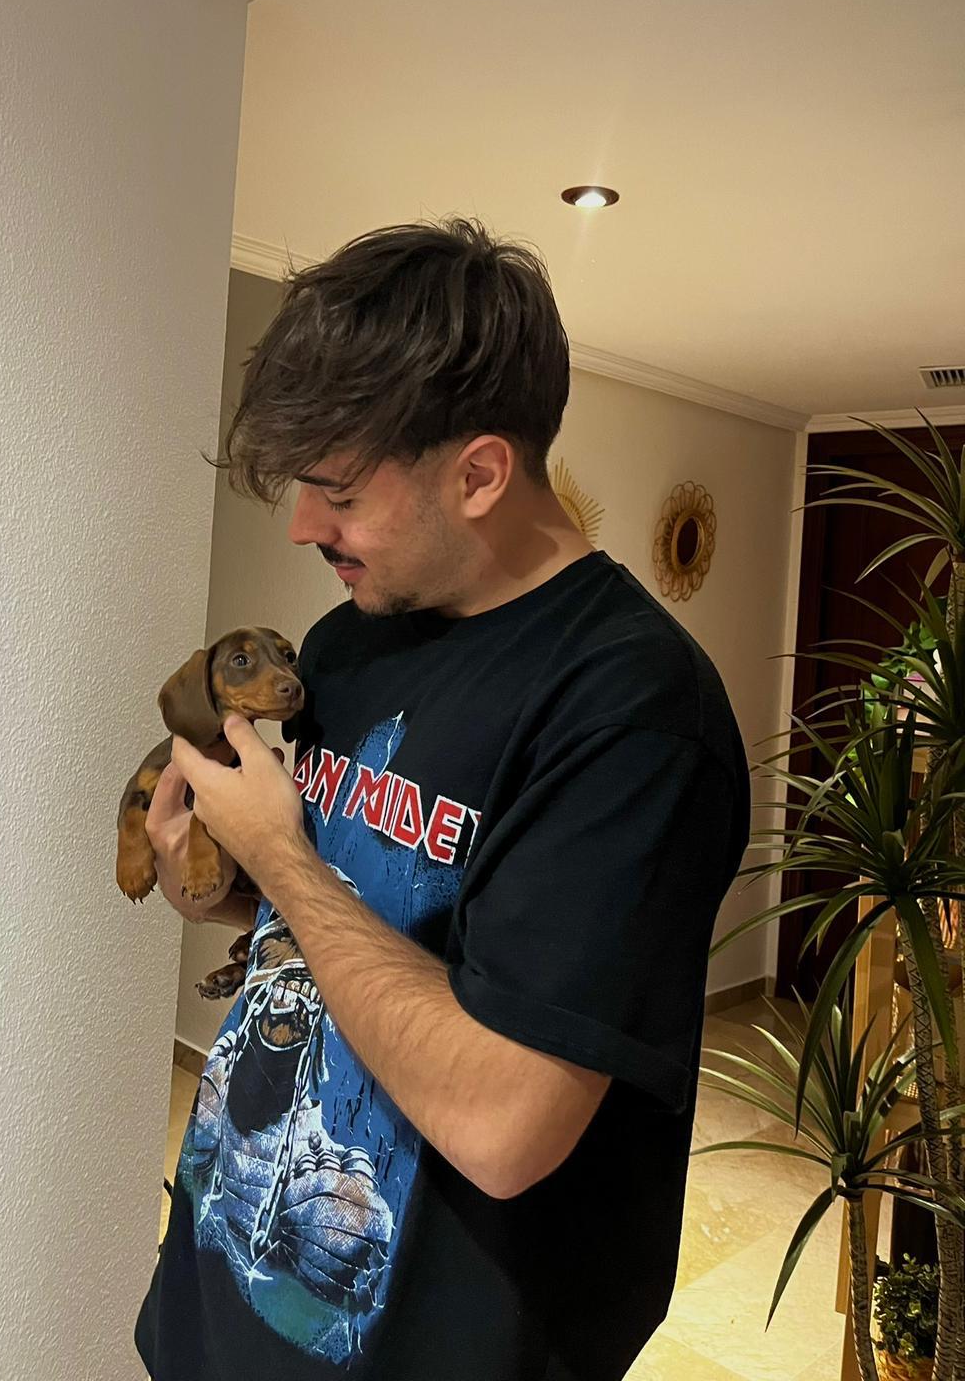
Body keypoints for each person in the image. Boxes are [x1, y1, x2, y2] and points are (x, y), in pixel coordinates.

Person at [134, 219, 750, 1381]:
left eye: (337, 493)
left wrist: (287, 858)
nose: (305, 527)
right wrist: (218, 869)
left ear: (478, 472)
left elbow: (505, 1123)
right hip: (213, 1313)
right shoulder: (352, 641)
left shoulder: (633, 714)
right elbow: (337, 926)